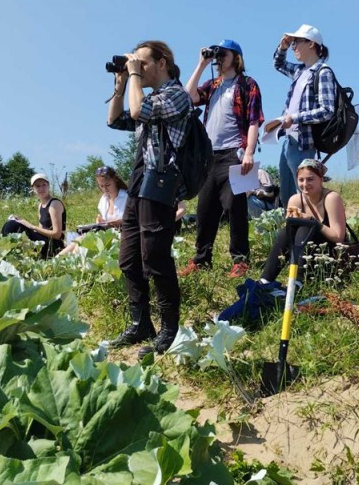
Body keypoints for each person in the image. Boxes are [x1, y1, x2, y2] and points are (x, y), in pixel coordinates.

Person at [106, 40, 191, 355]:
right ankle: (141, 323)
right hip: (139, 183)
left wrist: (133, 78)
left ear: (163, 63)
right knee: (129, 259)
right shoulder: (147, 95)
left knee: (156, 258)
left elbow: (137, 110)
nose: (137, 69)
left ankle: (170, 328)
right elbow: (115, 119)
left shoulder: (177, 96)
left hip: (161, 183)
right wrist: (120, 84)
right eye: (135, 64)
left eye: (142, 63)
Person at [179, 40, 264, 279]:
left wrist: (248, 152)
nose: (218, 58)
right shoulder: (214, 84)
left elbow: (255, 119)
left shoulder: (247, 84)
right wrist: (201, 64)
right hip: (209, 155)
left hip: (233, 153)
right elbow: (189, 96)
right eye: (217, 55)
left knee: (235, 207)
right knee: (205, 208)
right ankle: (201, 258)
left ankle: (240, 259)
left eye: (222, 54)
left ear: (236, 57)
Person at [269, 24, 337, 204]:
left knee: (306, 194)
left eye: (297, 41)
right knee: (288, 193)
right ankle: (293, 228)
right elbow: (278, 64)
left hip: (304, 143)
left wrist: (295, 118)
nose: (293, 46)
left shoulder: (323, 72)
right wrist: (282, 46)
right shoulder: (300, 71)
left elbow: (327, 110)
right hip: (289, 140)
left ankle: (312, 227)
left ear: (311, 44)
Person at [259, 159, 346, 286]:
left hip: (329, 255)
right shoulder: (296, 200)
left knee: (306, 227)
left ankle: (297, 283)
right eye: (301, 180)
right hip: (303, 253)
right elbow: (289, 236)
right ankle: (265, 280)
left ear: (321, 179)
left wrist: (313, 222)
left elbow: (338, 237)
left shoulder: (331, 198)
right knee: (288, 230)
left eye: (310, 179)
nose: (305, 184)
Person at [58, 166, 128, 256]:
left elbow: (135, 219)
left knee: (83, 242)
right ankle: (56, 260)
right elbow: (102, 221)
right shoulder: (104, 199)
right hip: (107, 234)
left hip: (123, 235)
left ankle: (64, 262)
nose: (105, 189)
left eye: (107, 185)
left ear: (115, 181)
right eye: (101, 186)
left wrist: (119, 222)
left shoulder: (126, 197)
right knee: (80, 239)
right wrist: (100, 222)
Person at [0, 173, 66, 258]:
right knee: (12, 223)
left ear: (48, 186)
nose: (41, 188)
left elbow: (57, 235)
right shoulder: (40, 206)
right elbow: (41, 230)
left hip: (54, 246)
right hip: (44, 241)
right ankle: (6, 250)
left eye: (44, 185)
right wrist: (23, 223)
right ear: (33, 189)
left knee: (14, 225)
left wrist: (31, 226)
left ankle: (5, 253)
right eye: (38, 186)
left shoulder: (54, 204)